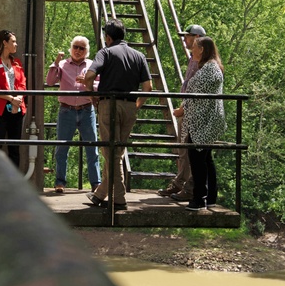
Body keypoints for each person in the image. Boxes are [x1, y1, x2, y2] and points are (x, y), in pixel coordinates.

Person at [81, 19, 153, 212]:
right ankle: (100, 194)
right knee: (116, 152)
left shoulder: (105, 52)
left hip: (109, 104)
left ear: (108, 37)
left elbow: (89, 77)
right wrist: (137, 105)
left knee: (109, 152)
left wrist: (92, 96)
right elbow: (148, 87)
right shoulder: (138, 56)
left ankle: (119, 198)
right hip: (130, 106)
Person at [173, 36, 226, 211]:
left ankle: (199, 198)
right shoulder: (210, 67)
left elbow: (195, 93)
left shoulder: (210, 69)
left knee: (198, 160)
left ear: (202, 49)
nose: (191, 51)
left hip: (203, 122)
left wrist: (183, 108)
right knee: (205, 158)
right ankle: (209, 197)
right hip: (203, 120)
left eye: (194, 47)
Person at [46, 35, 100, 193]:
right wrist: (55, 63)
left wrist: (88, 82)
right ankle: (60, 182)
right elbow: (50, 82)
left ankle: (96, 183)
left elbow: (100, 84)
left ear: (86, 51)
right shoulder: (62, 64)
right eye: (75, 47)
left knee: (92, 148)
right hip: (66, 110)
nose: (77, 50)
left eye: (81, 48)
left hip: (86, 109)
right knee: (62, 148)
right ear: (71, 48)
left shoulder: (92, 66)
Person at [158, 24, 206, 202]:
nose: (184, 39)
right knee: (183, 149)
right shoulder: (193, 58)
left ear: (196, 37)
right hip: (188, 107)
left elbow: (198, 90)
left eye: (187, 36)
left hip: (193, 110)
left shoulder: (202, 60)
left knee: (190, 149)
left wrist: (183, 109)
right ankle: (181, 183)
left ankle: (189, 187)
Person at [0, 30, 27, 168]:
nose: (16, 44)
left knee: (15, 148)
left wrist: (17, 101)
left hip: (17, 109)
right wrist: (11, 99)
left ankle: (14, 185)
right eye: (13, 41)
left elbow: (22, 85)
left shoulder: (17, 63)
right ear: (4, 43)